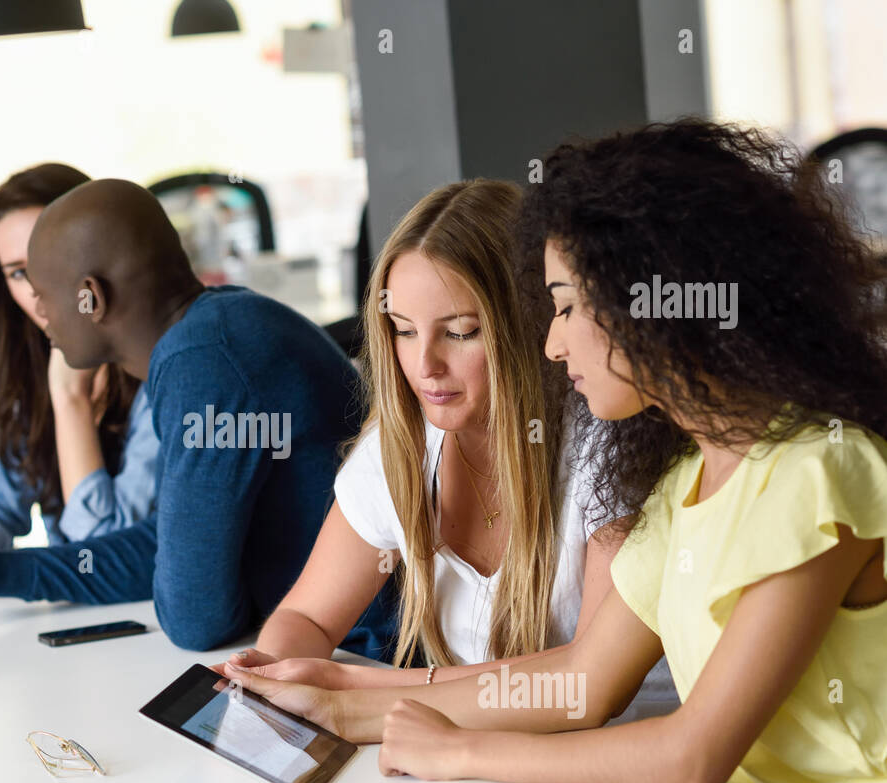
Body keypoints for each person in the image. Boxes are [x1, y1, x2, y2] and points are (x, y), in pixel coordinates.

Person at [222, 120, 887, 783]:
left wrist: (458, 748)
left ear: (653, 307)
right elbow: (587, 678)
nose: (551, 340)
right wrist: (350, 689)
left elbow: (689, 756)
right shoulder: (685, 482)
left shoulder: (816, 470)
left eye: (567, 306)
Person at [220, 180, 675, 724]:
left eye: (460, 332)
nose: (425, 365)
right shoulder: (399, 450)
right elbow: (308, 619)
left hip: (619, 769)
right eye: (405, 331)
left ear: (529, 321)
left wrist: (357, 686)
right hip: (486, 765)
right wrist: (270, 676)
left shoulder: (607, 449)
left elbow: (580, 687)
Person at [0, 178, 396, 655]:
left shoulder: (202, 361)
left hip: (372, 660)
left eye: (43, 294)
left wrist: (218, 580)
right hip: (333, 652)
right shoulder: (217, 330)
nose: (41, 315)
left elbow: (196, 619)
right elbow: (167, 547)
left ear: (92, 297)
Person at [0, 163, 158, 551]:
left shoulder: (163, 373)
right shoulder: (36, 368)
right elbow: (1, 508)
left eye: (50, 262)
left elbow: (105, 552)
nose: (37, 291)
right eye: (17, 273)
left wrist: (70, 400)